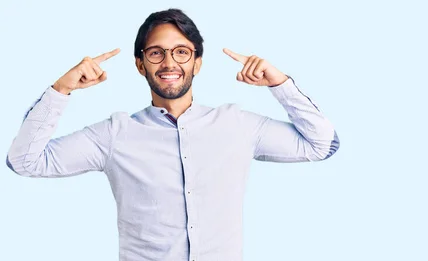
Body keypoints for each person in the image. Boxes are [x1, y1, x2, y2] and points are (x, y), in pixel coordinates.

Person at [6, 8, 339, 261]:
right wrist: (61, 89)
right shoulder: (114, 134)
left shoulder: (238, 125)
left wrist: (279, 84)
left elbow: (322, 144)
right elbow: (25, 162)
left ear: (197, 63)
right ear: (140, 65)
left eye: (181, 52)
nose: (169, 63)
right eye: (156, 53)